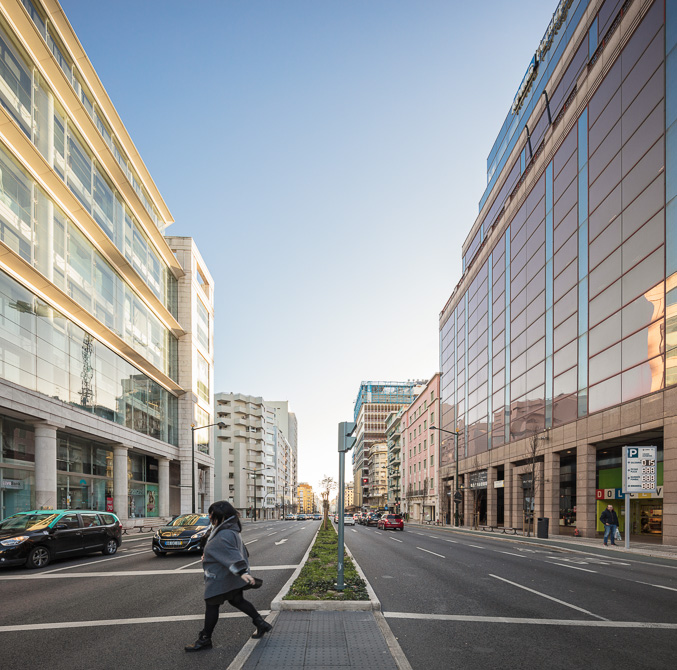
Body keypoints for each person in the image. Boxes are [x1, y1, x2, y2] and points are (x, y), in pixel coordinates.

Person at [185, 500, 272, 652]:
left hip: (221, 577)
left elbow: (231, 553)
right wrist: (209, 555)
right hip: (229, 575)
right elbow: (234, 550)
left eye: (212, 514)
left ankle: (205, 639)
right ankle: (260, 623)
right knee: (237, 600)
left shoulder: (224, 533)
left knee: (212, 604)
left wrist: (242, 572)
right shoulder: (230, 529)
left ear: (222, 516)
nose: (210, 517)